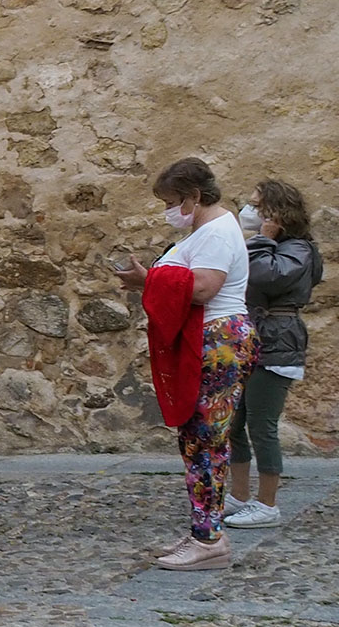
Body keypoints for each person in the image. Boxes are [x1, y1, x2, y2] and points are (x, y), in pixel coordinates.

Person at [115, 157, 256, 570]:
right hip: (214, 339)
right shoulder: (210, 228)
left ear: (194, 196)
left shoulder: (215, 232)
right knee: (198, 439)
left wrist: (149, 280)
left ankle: (209, 539)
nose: (169, 210)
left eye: (174, 201)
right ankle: (203, 530)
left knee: (205, 440)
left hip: (216, 341)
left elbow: (203, 287)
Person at [227, 180, 323, 528]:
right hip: (250, 339)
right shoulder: (265, 246)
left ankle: (267, 504)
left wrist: (262, 240)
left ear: (276, 213)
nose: (249, 210)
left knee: (261, 424)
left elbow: (268, 276)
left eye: (256, 205)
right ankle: (238, 497)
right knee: (234, 423)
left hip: (277, 341)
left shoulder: (298, 249)